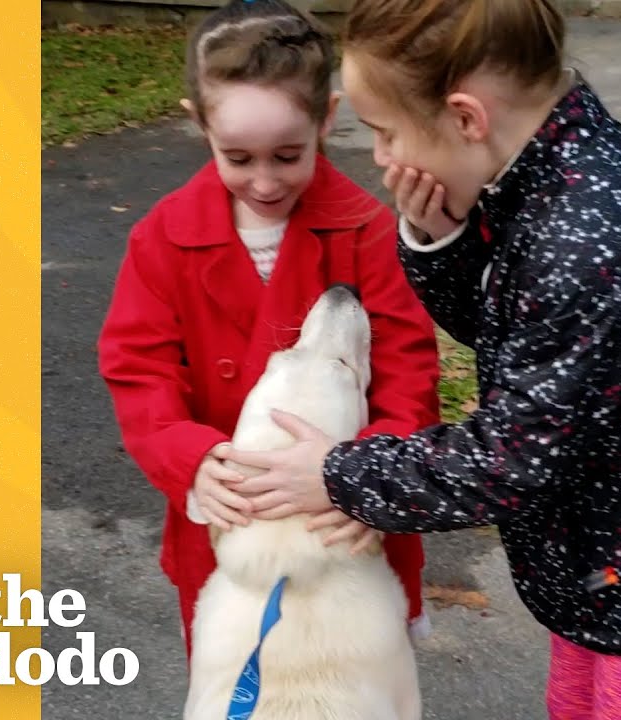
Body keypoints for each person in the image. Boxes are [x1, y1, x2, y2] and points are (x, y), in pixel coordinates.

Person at [215, 1, 621, 717]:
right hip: (610, 545)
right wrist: (440, 237)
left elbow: (513, 456)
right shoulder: (547, 170)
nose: (383, 159)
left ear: (465, 117)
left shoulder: (586, 231)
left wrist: (338, 474)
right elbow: (513, 336)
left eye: (386, 133)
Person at [96, 0, 439, 661]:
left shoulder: (367, 231)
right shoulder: (162, 239)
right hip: (232, 522)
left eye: (287, 155)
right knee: (243, 682)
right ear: (199, 125)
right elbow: (138, 368)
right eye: (238, 156)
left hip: (343, 520)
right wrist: (187, 455)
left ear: (326, 120)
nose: (263, 180)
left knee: (351, 682)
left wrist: (365, 477)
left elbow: (409, 376)